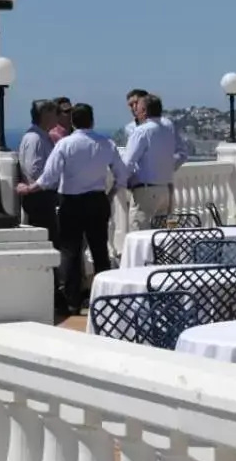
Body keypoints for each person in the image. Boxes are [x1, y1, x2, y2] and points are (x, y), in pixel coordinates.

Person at [18, 103, 128, 316]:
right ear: (92, 120)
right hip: (97, 201)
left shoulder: (65, 145)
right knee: (100, 251)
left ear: (73, 122)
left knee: (70, 252)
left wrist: (30, 188)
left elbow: (49, 176)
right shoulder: (107, 143)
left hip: (71, 202)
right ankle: (105, 299)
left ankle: (72, 302)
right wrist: (111, 193)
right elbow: (121, 175)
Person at [122, 93, 183, 230]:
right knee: (161, 235)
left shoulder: (141, 131)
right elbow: (182, 153)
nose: (135, 110)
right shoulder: (168, 127)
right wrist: (166, 168)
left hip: (145, 190)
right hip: (165, 188)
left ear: (144, 110)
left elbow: (128, 163)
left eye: (137, 107)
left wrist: (123, 181)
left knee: (140, 232)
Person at [17, 99, 63, 250]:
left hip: (44, 196)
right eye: (55, 113)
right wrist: (53, 177)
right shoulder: (35, 138)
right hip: (39, 198)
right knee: (47, 242)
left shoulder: (42, 136)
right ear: (45, 114)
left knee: (53, 241)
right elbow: (34, 171)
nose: (58, 117)